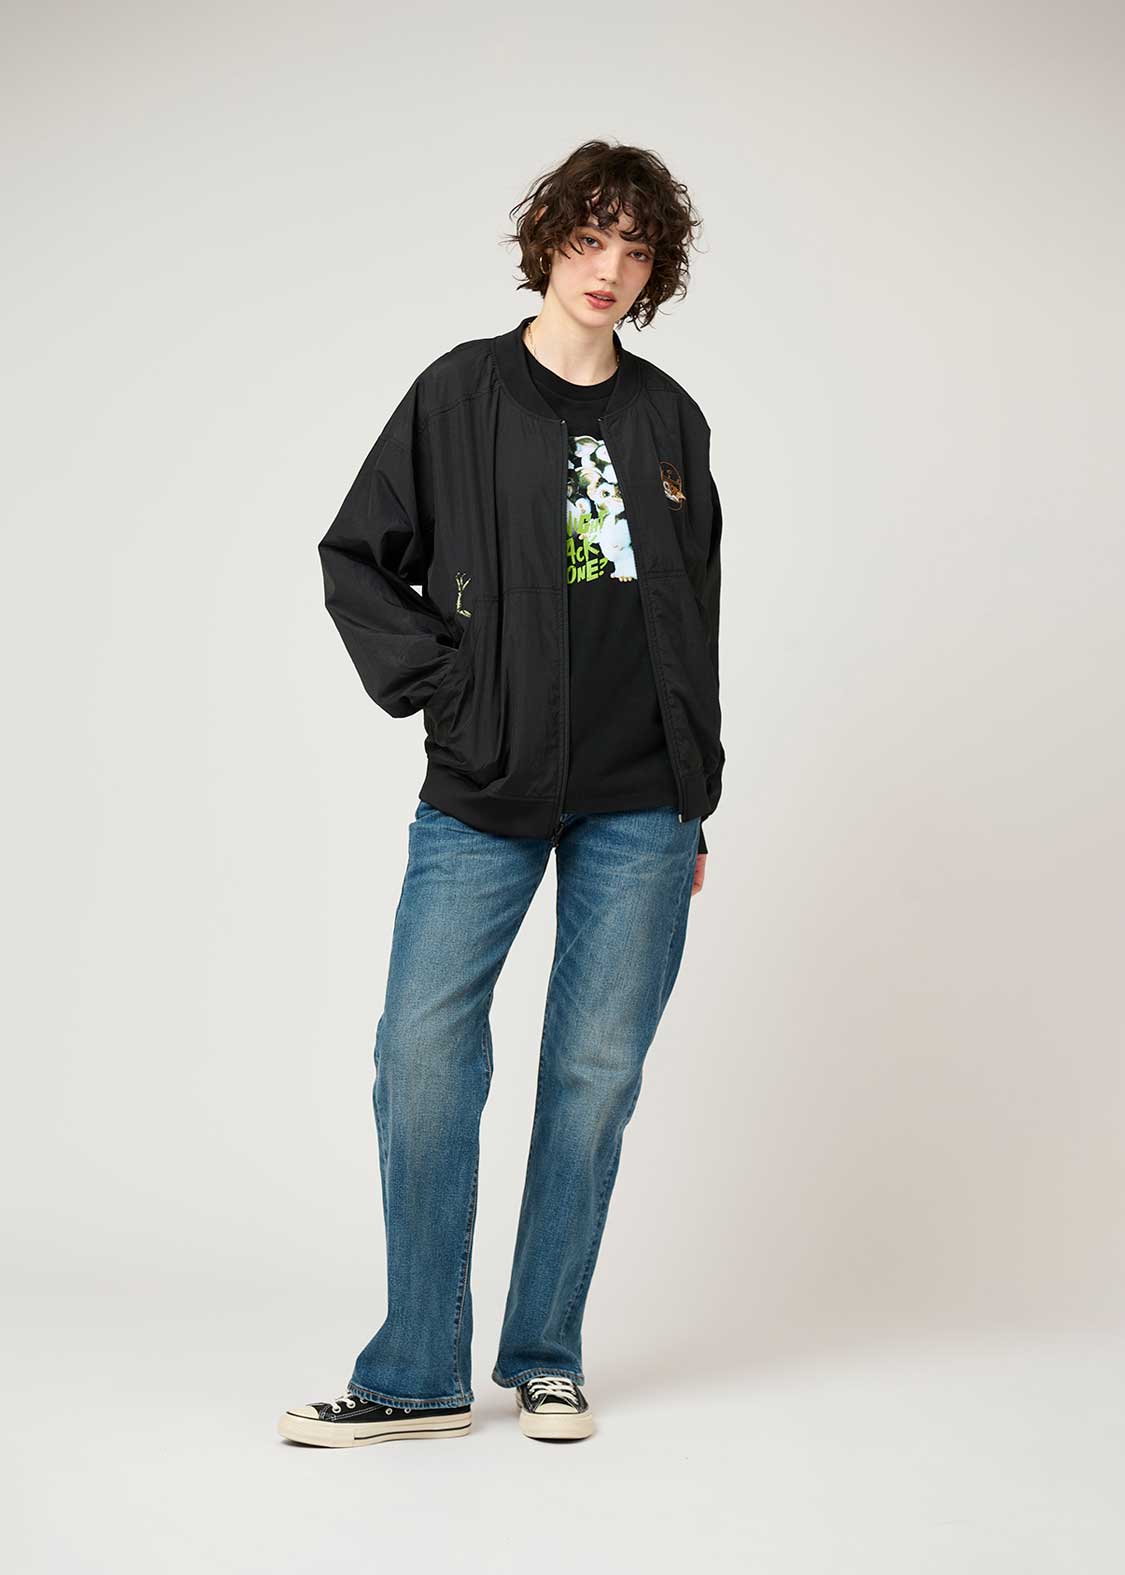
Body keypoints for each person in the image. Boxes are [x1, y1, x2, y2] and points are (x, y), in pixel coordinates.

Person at [279, 139, 724, 1448]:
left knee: (594, 1072)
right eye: (589, 239)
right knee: (419, 1054)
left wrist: (696, 792)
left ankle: (544, 1355)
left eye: (634, 248)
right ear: (548, 244)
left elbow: (693, 614)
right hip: (486, 780)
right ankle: (418, 1367)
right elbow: (358, 557)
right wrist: (452, 688)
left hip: (643, 801)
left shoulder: (669, 420)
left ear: (654, 270)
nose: (608, 268)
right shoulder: (459, 395)